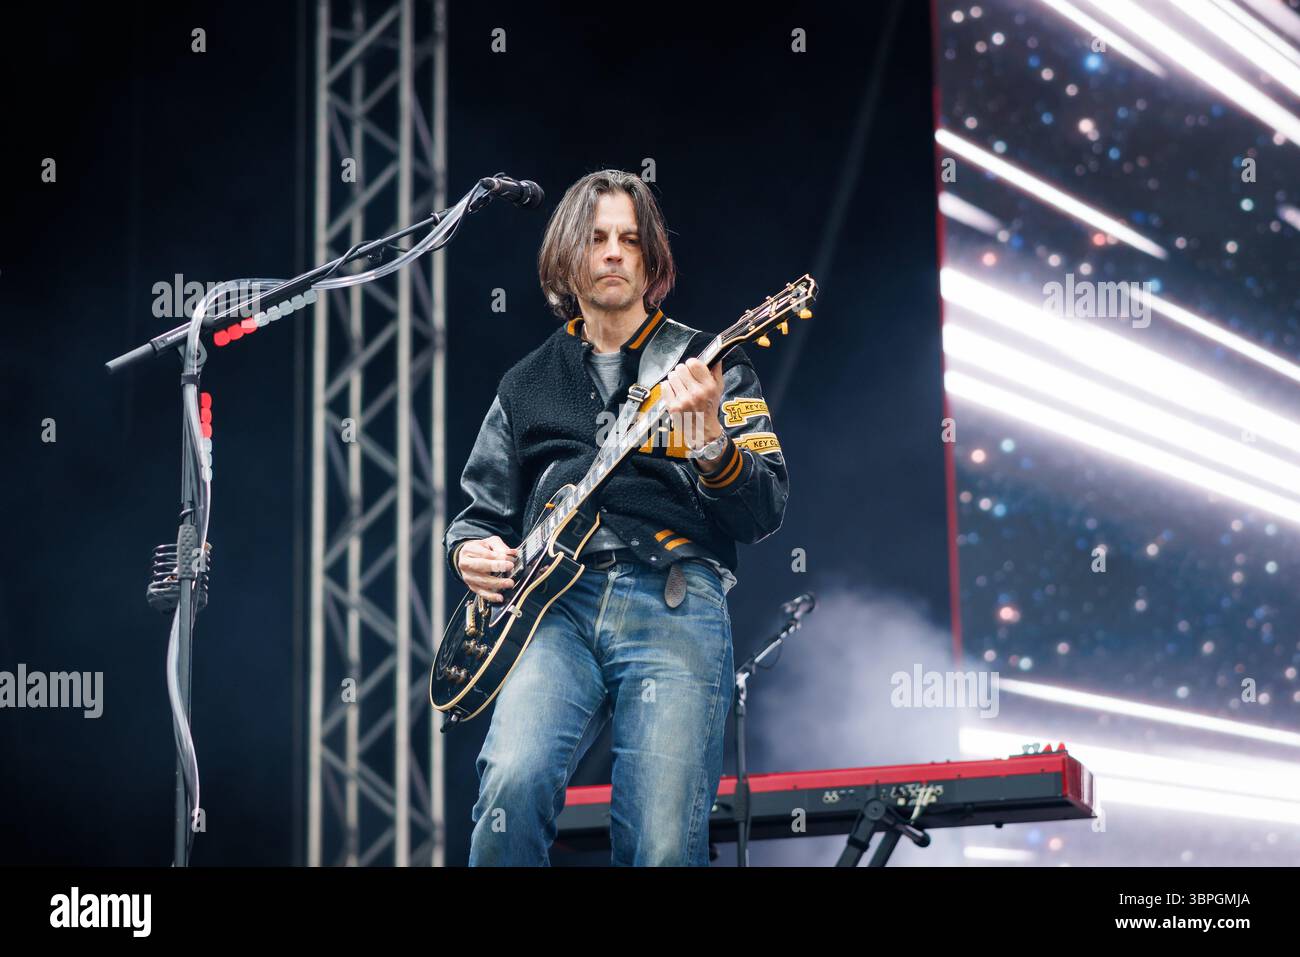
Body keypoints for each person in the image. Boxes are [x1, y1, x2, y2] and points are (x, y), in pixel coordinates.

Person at [445, 169, 789, 865]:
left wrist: (711, 443)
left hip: (673, 601)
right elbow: (480, 511)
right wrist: (468, 552)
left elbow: (765, 506)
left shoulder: (708, 365)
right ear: (568, 256)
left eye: (630, 240)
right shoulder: (525, 382)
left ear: (651, 259)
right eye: (598, 238)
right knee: (511, 782)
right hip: (552, 613)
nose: (612, 252)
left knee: (661, 840)